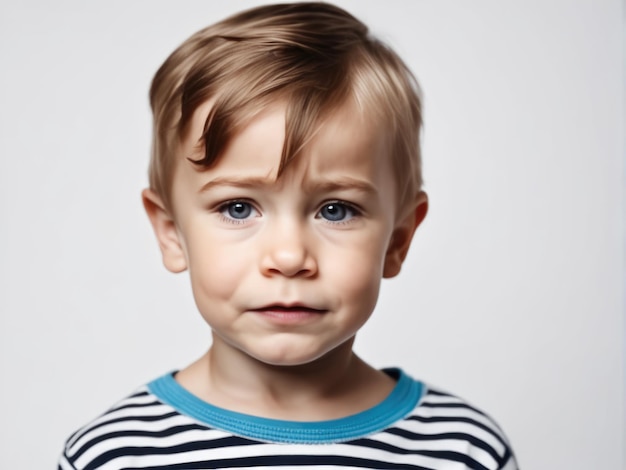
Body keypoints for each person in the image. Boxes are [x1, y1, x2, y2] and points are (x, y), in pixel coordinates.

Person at [58, 3, 518, 469]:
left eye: (335, 210)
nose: (289, 256)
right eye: (238, 208)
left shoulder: (463, 450)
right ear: (171, 232)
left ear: (398, 240)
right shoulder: (114, 456)